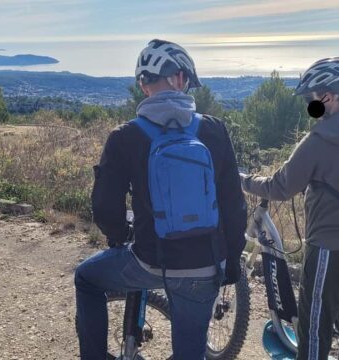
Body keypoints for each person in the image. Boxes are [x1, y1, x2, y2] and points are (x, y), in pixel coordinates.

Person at [75, 39, 247, 360]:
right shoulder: (213, 130)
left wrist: (120, 234)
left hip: (150, 261)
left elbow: (104, 208)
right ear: (181, 80)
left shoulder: (125, 136)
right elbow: (234, 205)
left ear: (143, 85)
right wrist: (232, 259)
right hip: (205, 266)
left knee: (86, 278)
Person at [240, 57, 339, 360]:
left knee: (314, 326)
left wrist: (243, 180)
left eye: (312, 97)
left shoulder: (320, 139)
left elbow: (280, 186)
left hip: (330, 248)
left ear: (328, 97)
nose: (310, 104)